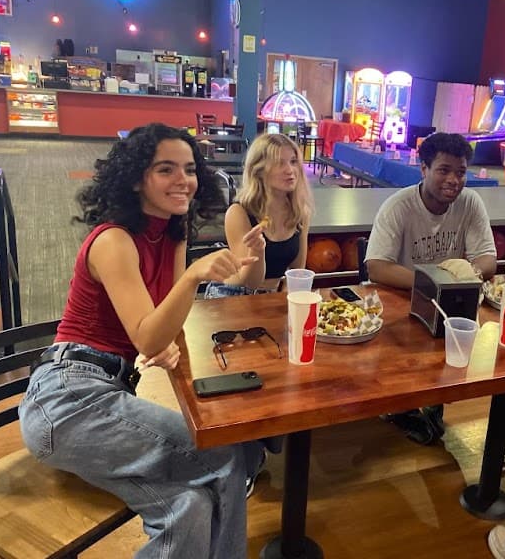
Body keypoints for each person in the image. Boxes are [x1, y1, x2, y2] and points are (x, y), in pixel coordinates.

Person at [19, 123, 265, 558]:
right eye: (165, 169)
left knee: (187, 507)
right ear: (136, 178)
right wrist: (192, 278)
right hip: (67, 397)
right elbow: (151, 341)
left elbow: (166, 327)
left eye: (189, 169)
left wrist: (219, 278)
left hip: (106, 393)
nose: (183, 180)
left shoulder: (172, 232)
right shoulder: (113, 240)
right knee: (227, 456)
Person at [365, 132, 497, 444]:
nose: (454, 180)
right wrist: (434, 283)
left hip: (451, 305)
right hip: (402, 301)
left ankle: (431, 403)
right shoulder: (398, 207)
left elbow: (488, 260)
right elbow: (376, 266)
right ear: (423, 169)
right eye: (444, 170)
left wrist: (465, 275)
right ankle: (403, 407)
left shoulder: (470, 203)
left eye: (461, 172)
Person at [205, 133, 313, 297]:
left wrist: (287, 292)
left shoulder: (299, 212)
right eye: (279, 163)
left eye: (293, 161)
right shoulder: (238, 213)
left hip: (271, 295)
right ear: (259, 170)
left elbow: (297, 270)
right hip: (233, 293)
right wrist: (257, 251)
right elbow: (249, 281)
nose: (290, 170)